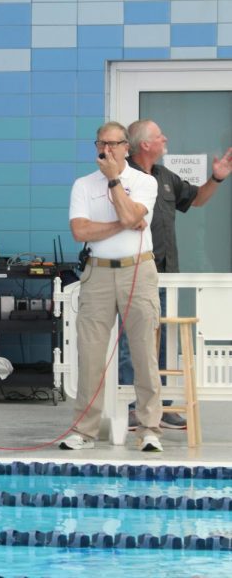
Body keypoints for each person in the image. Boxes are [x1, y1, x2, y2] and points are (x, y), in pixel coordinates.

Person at [119, 120, 232, 430]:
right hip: (133, 274)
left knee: (164, 341)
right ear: (144, 144)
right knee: (134, 341)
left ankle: (164, 406)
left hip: (166, 275)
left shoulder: (165, 176)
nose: (165, 138)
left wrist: (217, 178)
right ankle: (132, 406)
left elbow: (196, 199)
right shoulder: (123, 178)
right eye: (159, 135)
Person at [63, 121, 163, 452]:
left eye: (112, 144)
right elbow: (80, 231)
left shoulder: (145, 182)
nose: (105, 149)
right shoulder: (82, 185)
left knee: (144, 352)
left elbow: (137, 214)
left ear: (126, 149)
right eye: (100, 144)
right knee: (90, 354)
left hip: (138, 271)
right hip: (98, 274)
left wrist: (114, 181)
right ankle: (85, 430)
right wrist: (124, 222)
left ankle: (149, 428)